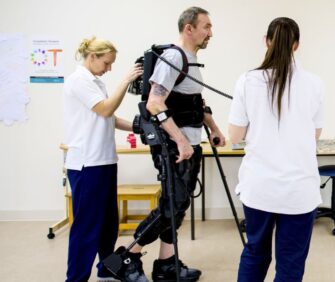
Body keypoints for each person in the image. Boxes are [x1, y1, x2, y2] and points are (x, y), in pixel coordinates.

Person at [114, 6, 226, 282]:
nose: (210, 32)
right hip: (172, 146)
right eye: (206, 26)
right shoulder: (174, 57)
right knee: (171, 207)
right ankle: (123, 258)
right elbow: (154, 103)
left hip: (189, 143)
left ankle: (166, 264)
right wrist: (179, 140)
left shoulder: (191, 61)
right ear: (189, 28)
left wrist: (214, 129)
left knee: (176, 205)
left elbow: (196, 104)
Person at [228, 17, 325, 282]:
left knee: (255, 253)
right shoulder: (314, 83)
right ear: (297, 45)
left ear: (266, 42)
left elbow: (235, 136)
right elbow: (315, 134)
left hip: (259, 188)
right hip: (299, 190)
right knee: (291, 262)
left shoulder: (248, 81)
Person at [63, 36, 142, 282]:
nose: (109, 69)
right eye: (107, 63)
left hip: (105, 160)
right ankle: (75, 278)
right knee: (87, 227)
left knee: (109, 225)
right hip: (87, 164)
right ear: (92, 57)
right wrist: (126, 81)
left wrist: (139, 127)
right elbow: (106, 109)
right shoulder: (78, 81)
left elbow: (109, 118)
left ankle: (107, 268)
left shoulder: (96, 82)